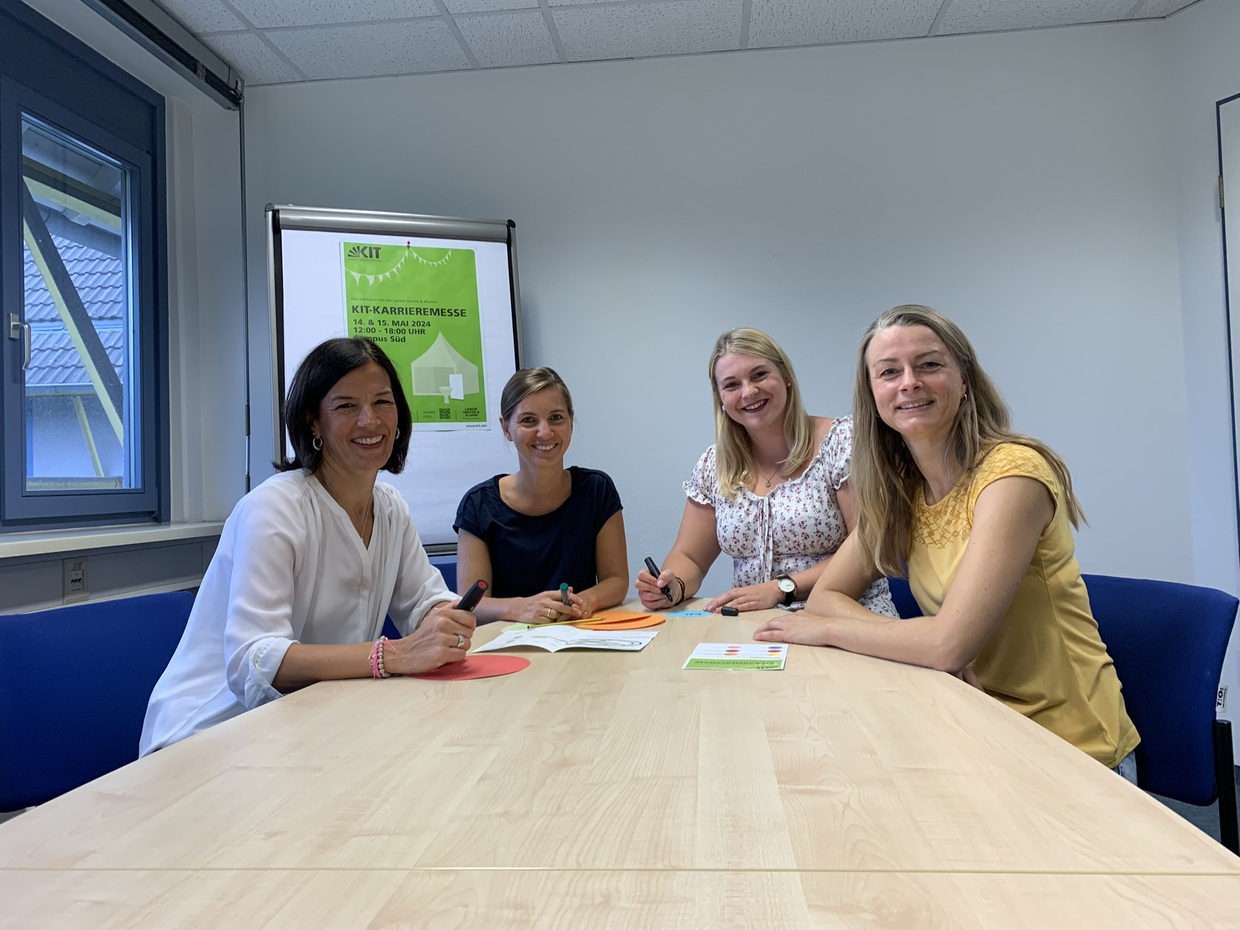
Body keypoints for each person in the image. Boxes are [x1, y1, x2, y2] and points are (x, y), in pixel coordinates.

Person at [754, 305, 1139, 775]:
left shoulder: (1012, 474)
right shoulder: (901, 488)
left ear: (965, 381)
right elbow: (827, 597)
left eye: (929, 364)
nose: (909, 382)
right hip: (973, 717)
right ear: (873, 395)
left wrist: (836, 630)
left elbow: (945, 647)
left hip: (1068, 743)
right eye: (889, 372)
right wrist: (916, 640)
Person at [140, 338, 475, 755]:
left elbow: (423, 602)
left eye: (382, 402)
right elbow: (255, 660)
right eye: (346, 406)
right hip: (209, 736)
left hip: (313, 724)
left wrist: (444, 619)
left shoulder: (390, 508)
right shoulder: (275, 507)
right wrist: (394, 655)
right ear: (313, 422)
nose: (370, 421)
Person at [636, 327, 896, 616]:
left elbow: (869, 550)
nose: (749, 392)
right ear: (720, 398)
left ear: (785, 377)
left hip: (847, 614)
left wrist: (781, 589)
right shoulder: (715, 465)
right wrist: (674, 586)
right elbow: (690, 557)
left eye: (759, 375)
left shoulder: (841, 442)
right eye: (732, 385)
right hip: (759, 629)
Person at [454, 367, 628, 624]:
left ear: (571, 420)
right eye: (528, 420)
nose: (545, 432)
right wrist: (521, 608)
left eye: (556, 417)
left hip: (578, 637)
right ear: (506, 428)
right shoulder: (478, 505)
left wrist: (584, 602)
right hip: (507, 646)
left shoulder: (597, 490)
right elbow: (471, 604)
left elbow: (616, 581)